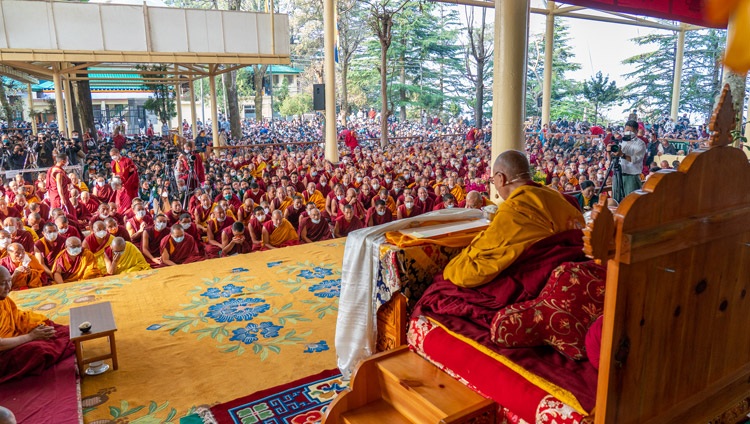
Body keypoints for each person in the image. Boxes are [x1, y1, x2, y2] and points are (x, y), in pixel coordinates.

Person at [442, 150, 585, 288]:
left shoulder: (514, 208)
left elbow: (483, 265)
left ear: (500, 178)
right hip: (574, 265)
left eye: (493, 181)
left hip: (538, 276)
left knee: (443, 284)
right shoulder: (558, 196)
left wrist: (452, 269)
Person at [0, 266, 74, 384]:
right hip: (2, 353)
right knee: (38, 350)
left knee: (53, 328)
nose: (8, 287)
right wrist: (31, 336)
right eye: (3, 284)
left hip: (12, 337)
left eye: (9, 281)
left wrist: (33, 326)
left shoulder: (4, 300)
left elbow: (17, 317)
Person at [610, 120, 646, 202]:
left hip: (631, 176)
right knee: (616, 200)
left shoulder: (640, 144)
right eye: (626, 130)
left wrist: (622, 155)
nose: (628, 132)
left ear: (636, 131)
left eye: (631, 131)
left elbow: (635, 159)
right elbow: (612, 158)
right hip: (617, 174)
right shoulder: (621, 141)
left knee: (631, 202)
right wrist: (609, 151)